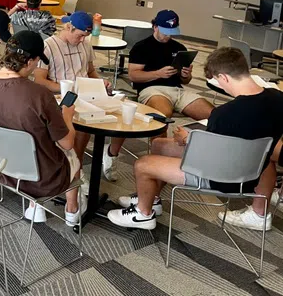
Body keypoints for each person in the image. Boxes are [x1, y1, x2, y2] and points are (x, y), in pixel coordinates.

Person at [109, 47, 283, 231]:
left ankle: (142, 214)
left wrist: (188, 139)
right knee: (160, 145)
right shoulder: (278, 98)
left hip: (220, 176)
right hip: (254, 166)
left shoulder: (225, 114)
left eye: (218, 81)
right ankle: (153, 199)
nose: (221, 86)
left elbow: (208, 153)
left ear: (223, 77)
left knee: (143, 164)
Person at [0, 31, 83, 224]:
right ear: (30, 61)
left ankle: (35, 207)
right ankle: (72, 211)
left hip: (3, 170)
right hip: (43, 179)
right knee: (74, 158)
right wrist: (66, 115)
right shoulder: (40, 96)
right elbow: (67, 143)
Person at [103, 10, 216, 182]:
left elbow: (185, 81)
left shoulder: (179, 48)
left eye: (171, 33)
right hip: (151, 88)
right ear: (155, 26)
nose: (167, 37)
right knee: (163, 116)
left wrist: (186, 75)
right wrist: (158, 73)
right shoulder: (141, 47)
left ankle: (208, 160)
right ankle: (159, 164)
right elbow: (134, 76)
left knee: (214, 115)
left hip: (177, 90)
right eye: (164, 32)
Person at [32, 11, 109, 189]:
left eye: (86, 36)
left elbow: (90, 72)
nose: (82, 40)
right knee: (78, 125)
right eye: (80, 35)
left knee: (108, 114)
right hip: (59, 97)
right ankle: (73, 169)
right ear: (68, 27)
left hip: (85, 94)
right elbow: (40, 81)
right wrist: (69, 87)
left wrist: (100, 83)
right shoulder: (48, 46)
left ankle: (78, 166)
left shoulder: (85, 45)